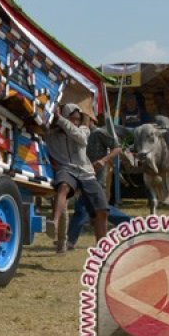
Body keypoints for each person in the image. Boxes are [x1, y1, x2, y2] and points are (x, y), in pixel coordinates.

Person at [44, 103, 109, 253]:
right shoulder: (51, 134)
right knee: (63, 187)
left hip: (86, 172)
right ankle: (53, 223)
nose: (75, 122)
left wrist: (60, 119)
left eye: (78, 119)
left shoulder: (83, 130)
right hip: (66, 169)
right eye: (72, 119)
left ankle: (103, 250)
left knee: (102, 210)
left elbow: (80, 138)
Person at [66, 117, 131, 249]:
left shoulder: (98, 133)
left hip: (96, 178)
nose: (79, 123)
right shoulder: (78, 136)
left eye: (82, 120)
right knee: (98, 208)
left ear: (91, 121)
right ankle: (130, 223)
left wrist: (104, 160)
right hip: (84, 176)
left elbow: (118, 148)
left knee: (83, 207)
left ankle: (70, 241)